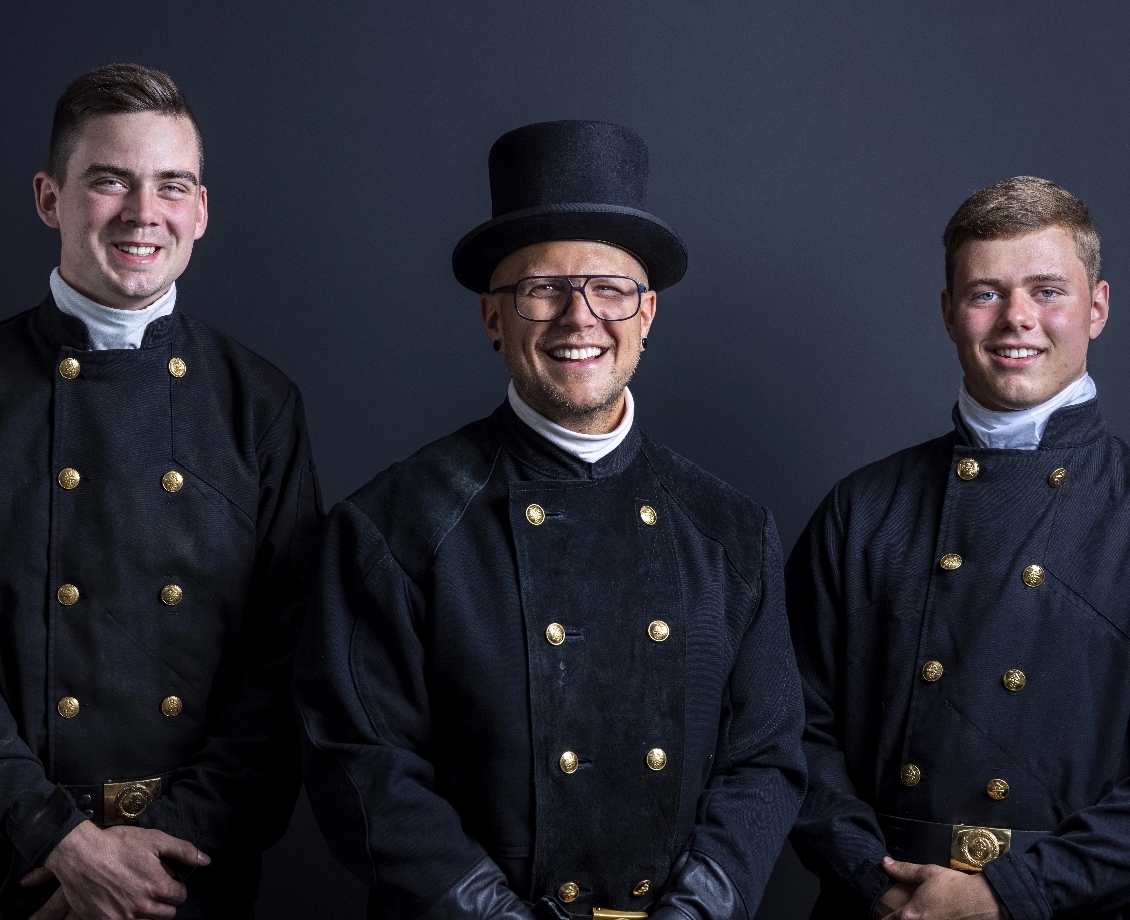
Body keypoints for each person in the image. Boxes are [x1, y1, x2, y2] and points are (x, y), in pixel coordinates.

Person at [295, 119, 806, 920]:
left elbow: (766, 759)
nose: (579, 318)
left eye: (611, 289)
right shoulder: (391, 526)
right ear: (492, 318)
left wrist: (697, 911)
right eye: (542, 288)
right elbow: (363, 766)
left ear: (647, 313)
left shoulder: (732, 531)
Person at [0, 64, 323, 919]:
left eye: (171, 186)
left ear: (200, 210)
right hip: (14, 867)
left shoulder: (260, 404)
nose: (144, 213)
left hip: (190, 873)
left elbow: (288, 659)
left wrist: (159, 854)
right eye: (110, 181)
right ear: (49, 198)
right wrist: (56, 839)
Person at [787, 176, 1130, 919]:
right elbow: (787, 730)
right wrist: (875, 882)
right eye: (986, 293)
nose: (1017, 319)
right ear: (948, 312)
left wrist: (1011, 893)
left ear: (1097, 308)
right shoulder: (860, 509)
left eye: (1047, 291)